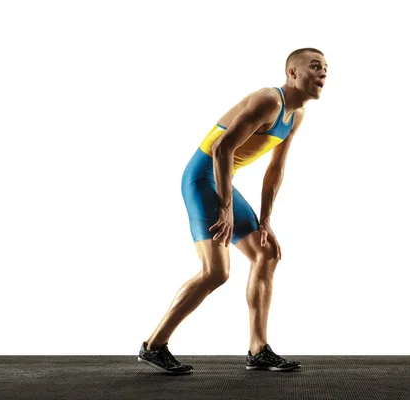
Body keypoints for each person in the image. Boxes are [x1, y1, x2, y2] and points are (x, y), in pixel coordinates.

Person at [138, 48, 328, 374]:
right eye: (315, 66)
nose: (324, 73)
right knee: (216, 272)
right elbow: (221, 148)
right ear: (292, 74)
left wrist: (265, 219)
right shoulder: (269, 100)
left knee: (266, 252)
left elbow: (275, 169)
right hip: (202, 179)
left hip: (221, 180)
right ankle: (154, 345)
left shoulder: (295, 116)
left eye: (326, 68)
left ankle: (259, 349)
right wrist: (225, 206)